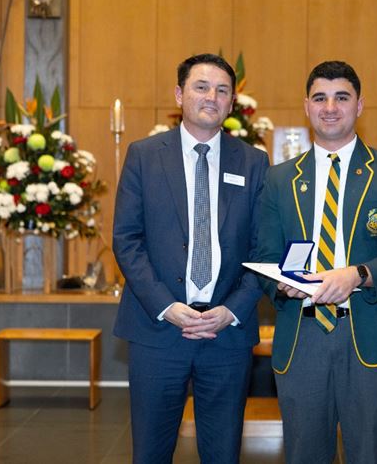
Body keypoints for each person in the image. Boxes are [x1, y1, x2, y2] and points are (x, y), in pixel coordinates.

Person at [255, 60, 377, 463]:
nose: (330, 107)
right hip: (303, 335)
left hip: (370, 333)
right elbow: (265, 256)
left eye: (341, 97)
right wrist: (280, 284)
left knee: (370, 455)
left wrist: (357, 275)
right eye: (320, 98)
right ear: (306, 106)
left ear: (359, 105)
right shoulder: (279, 178)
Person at [113, 53, 269, 463]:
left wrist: (231, 310)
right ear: (180, 94)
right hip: (157, 330)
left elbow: (263, 249)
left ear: (231, 102)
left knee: (222, 453)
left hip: (226, 334)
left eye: (222, 90)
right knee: (151, 452)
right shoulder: (144, 155)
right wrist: (167, 306)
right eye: (201, 87)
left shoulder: (253, 162)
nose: (211, 97)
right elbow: (127, 240)